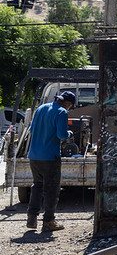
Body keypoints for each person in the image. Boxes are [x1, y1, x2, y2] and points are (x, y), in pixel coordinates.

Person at [26, 91, 76, 232]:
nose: (69, 108)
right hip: (50, 157)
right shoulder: (62, 112)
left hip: (34, 155)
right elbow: (61, 134)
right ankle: (49, 221)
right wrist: (69, 134)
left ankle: (32, 218)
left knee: (37, 186)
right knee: (51, 189)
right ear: (68, 103)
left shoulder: (40, 108)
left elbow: (32, 130)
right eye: (71, 106)